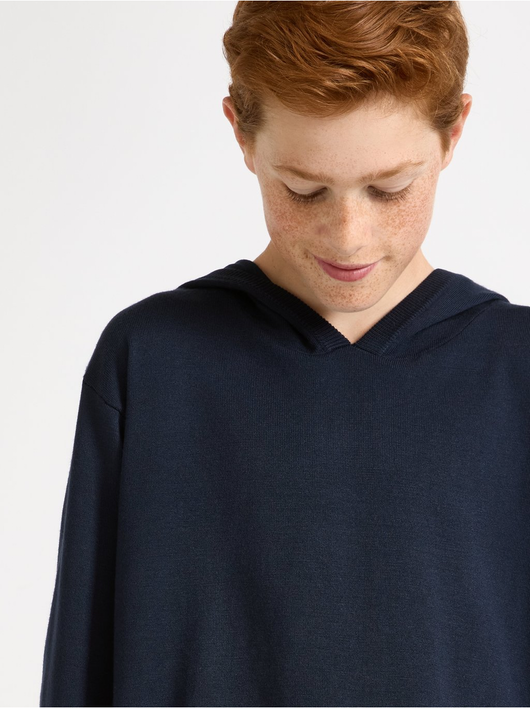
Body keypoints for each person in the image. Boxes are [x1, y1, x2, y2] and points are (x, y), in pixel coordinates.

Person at [40, 2, 530, 706]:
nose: (349, 235)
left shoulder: (515, 371)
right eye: (304, 190)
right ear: (241, 134)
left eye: (390, 188)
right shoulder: (153, 363)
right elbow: (81, 671)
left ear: (453, 133)